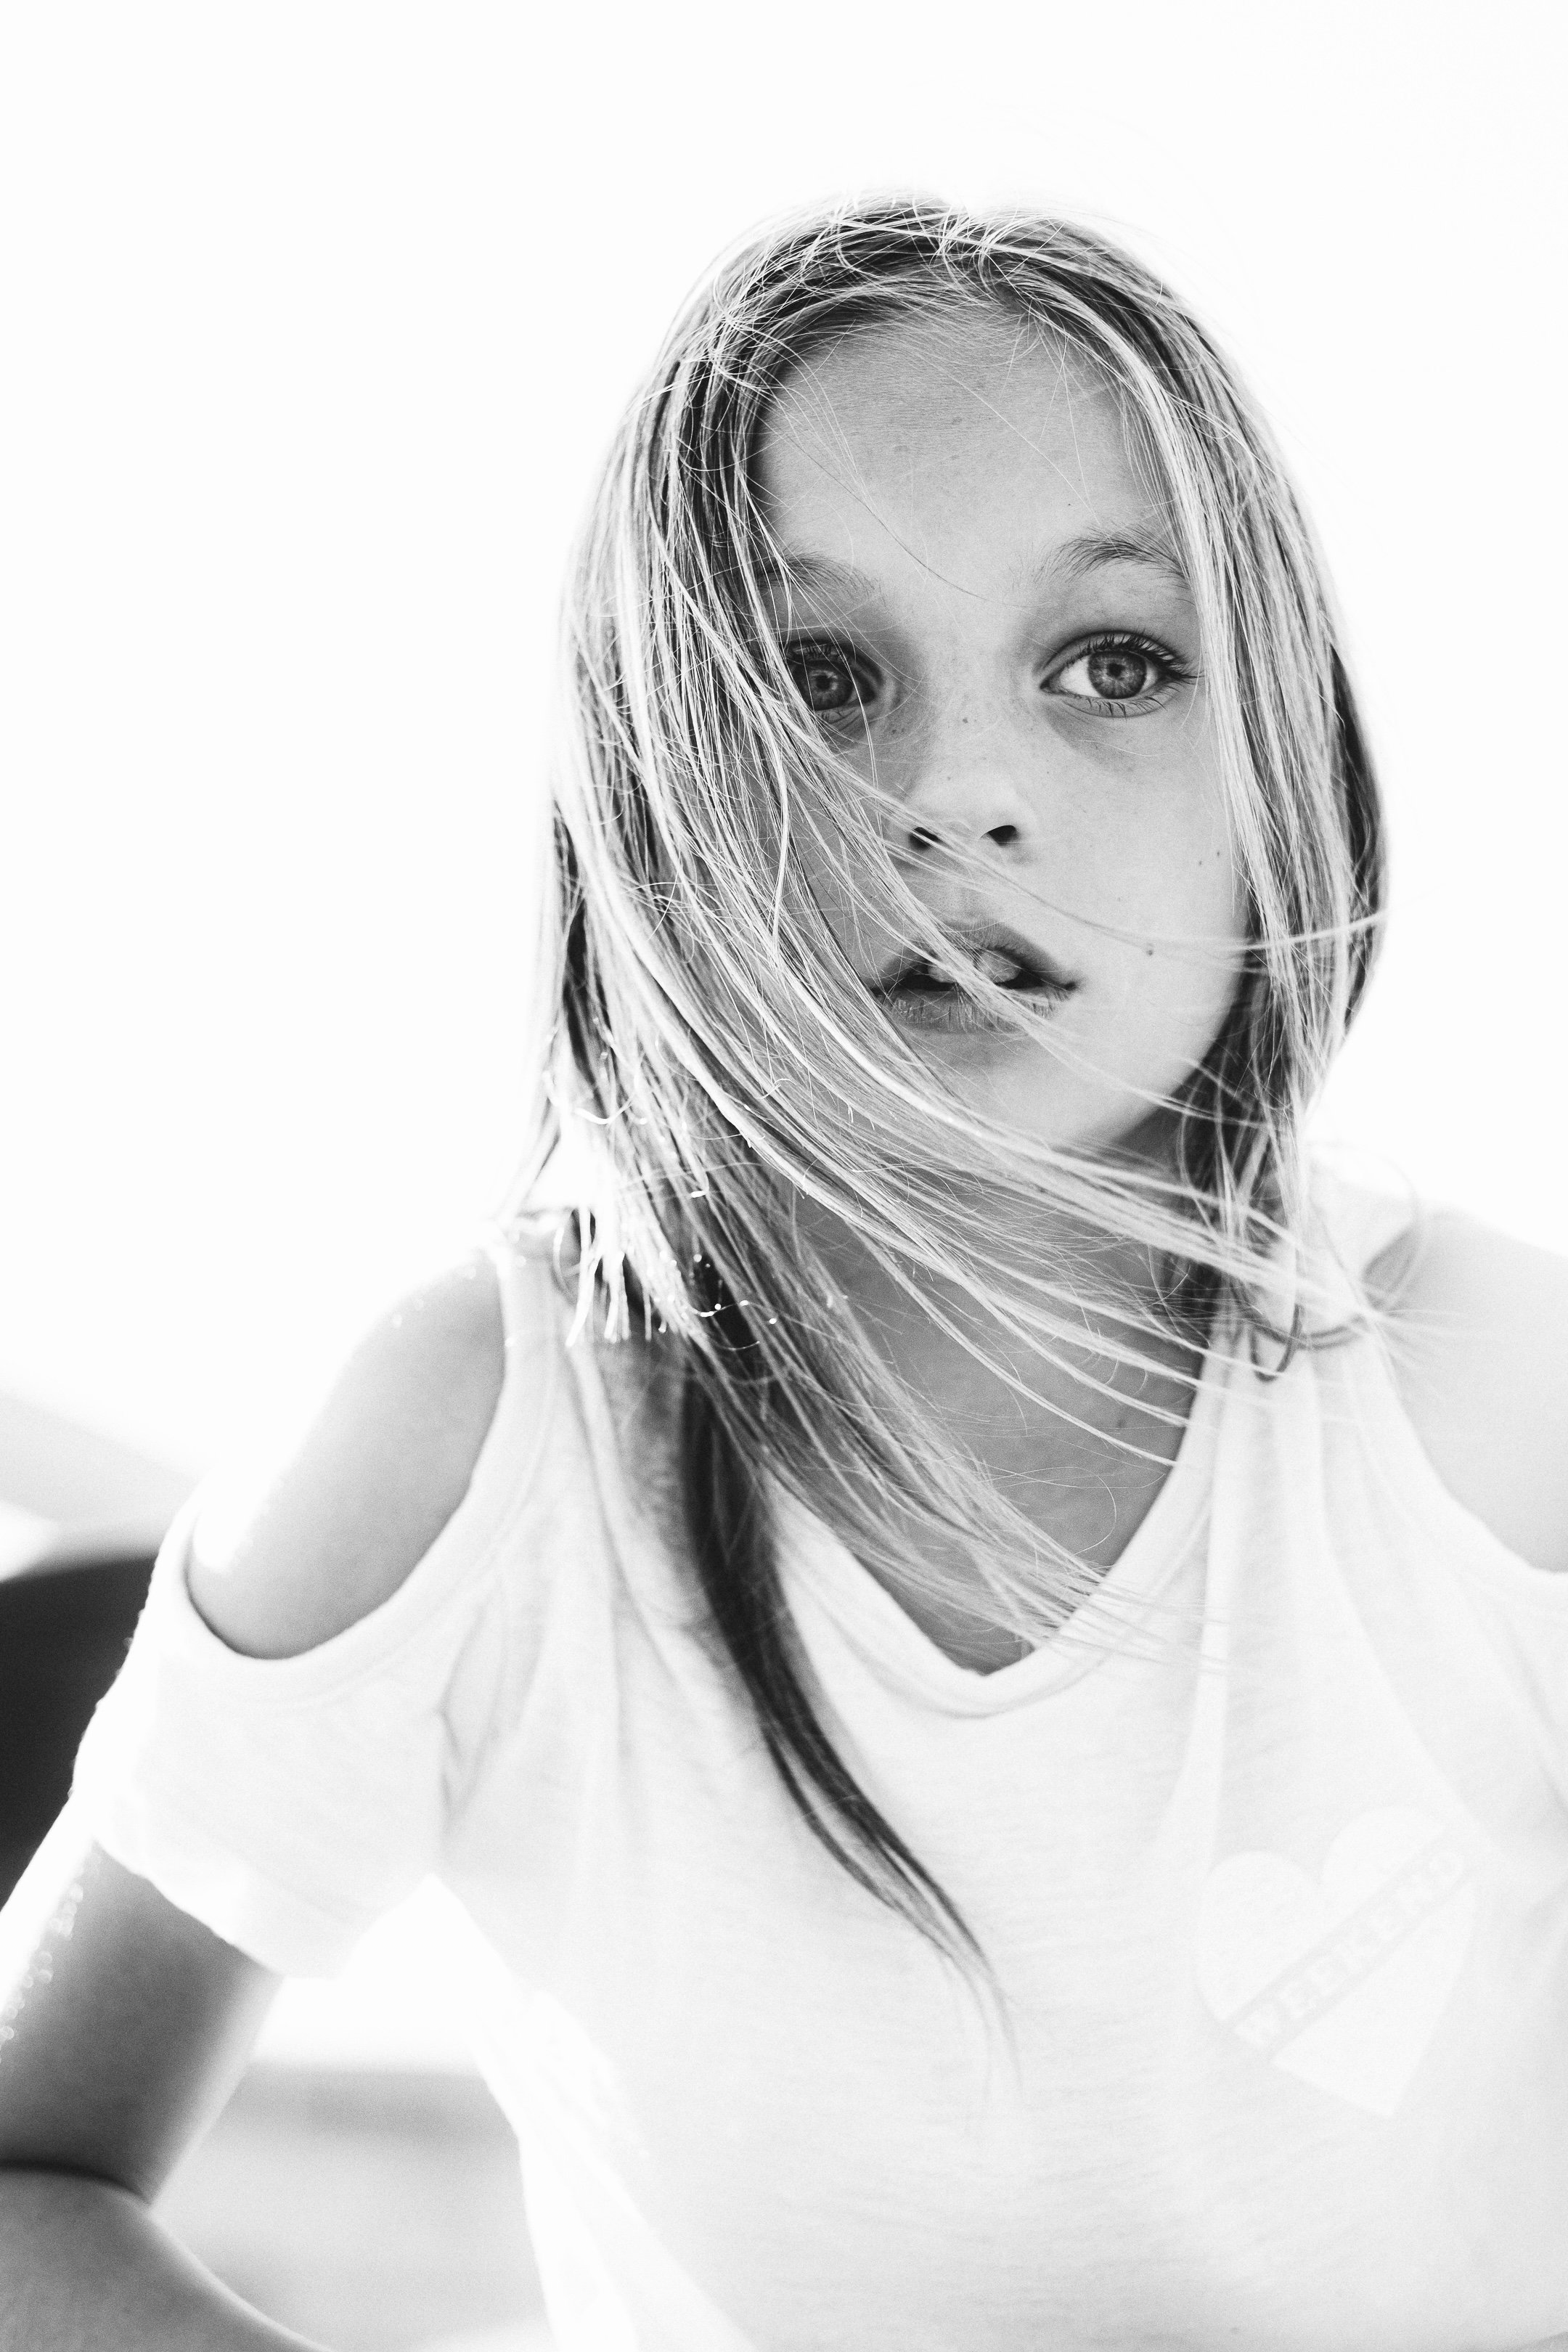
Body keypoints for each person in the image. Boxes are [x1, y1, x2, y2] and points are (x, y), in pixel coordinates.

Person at [3, 196, 1567, 2352]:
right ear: (652, 785)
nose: (964, 791)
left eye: (1113, 661)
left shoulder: (1490, 1400)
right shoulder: (481, 1435)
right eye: (820, 678)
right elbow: (30, 2181)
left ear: (1280, 770)